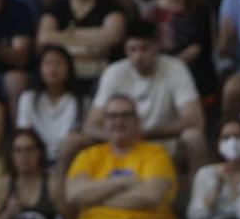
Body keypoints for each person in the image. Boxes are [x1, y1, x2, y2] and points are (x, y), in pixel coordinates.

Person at [84, 21, 207, 181]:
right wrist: (120, 137)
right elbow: (90, 125)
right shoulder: (114, 72)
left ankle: (196, 200)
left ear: (156, 47)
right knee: (76, 141)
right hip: (120, 146)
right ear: (125, 50)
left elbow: (195, 120)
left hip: (165, 144)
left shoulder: (175, 67)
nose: (138, 56)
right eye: (133, 49)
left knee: (194, 138)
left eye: (144, 48)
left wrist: (146, 134)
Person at [66, 94, 177, 219]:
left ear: (137, 121)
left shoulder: (156, 154)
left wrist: (96, 197)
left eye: (126, 115)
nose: (119, 121)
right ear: (104, 122)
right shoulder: (88, 156)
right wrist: (123, 183)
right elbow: (74, 195)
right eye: (112, 116)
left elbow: (151, 196)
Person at [142, 0, 219, 115]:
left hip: (192, 67)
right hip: (156, 65)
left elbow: (199, 48)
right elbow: (144, 44)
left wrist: (171, 67)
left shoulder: (201, 7)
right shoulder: (150, 9)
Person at [36, 0, 127, 85]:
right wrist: (93, 40)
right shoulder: (56, 7)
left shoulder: (111, 7)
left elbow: (113, 38)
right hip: (61, 71)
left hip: (100, 72)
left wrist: (69, 35)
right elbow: (44, 38)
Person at [16, 46, 89, 166]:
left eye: (59, 63)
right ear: (40, 69)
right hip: (37, 158)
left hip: (70, 157)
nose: (53, 68)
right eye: (48, 63)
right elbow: (25, 132)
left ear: (69, 69)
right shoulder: (28, 98)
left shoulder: (81, 101)